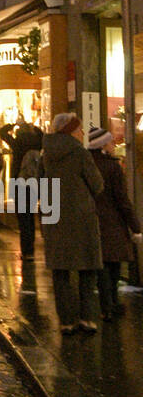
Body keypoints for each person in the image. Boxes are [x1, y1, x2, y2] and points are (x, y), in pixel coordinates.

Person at [40, 113, 104, 335]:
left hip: (54, 216)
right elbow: (97, 185)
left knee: (61, 271)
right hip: (80, 219)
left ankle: (67, 321)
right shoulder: (80, 153)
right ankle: (87, 319)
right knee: (87, 269)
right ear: (71, 131)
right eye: (79, 129)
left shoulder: (46, 154)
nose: (82, 133)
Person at [87, 126, 142, 321]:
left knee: (102, 267)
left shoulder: (87, 163)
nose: (113, 145)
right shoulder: (112, 166)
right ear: (102, 145)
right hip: (112, 223)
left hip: (92, 221)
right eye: (110, 142)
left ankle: (106, 306)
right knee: (113, 266)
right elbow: (122, 201)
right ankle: (111, 305)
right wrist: (136, 227)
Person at [15, 132, 44, 259]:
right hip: (33, 187)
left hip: (22, 186)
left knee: (24, 219)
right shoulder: (39, 153)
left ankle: (27, 251)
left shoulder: (22, 150)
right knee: (30, 218)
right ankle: (29, 250)